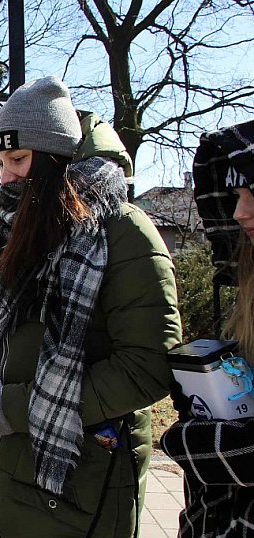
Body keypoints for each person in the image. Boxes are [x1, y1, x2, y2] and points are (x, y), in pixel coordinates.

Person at [0, 76, 182, 537]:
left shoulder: (122, 231)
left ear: (57, 159)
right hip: (0, 485)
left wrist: (14, 407)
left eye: (18, 159)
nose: (5, 178)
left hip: (78, 489)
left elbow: (146, 367)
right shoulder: (8, 232)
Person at [161, 119, 254, 538]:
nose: (239, 212)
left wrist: (189, 442)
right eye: (235, 196)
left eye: (253, 194)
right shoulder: (245, 292)